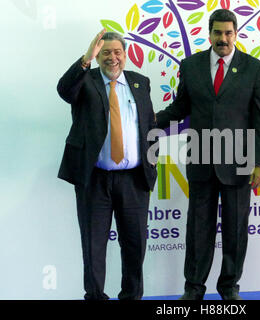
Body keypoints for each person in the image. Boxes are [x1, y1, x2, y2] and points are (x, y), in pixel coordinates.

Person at [155, 9, 260, 300]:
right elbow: (180, 108)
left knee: (235, 231)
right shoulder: (191, 66)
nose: (223, 38)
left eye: (228, 33)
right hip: (201, 161)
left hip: (239, 163)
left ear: (236, 34)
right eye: (218, 33)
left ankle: (229, 287)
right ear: (209, 33)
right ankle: (193, 288)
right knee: (198, 229)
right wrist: (148, 119)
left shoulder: (255, 69)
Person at [57, 29, 157, 300]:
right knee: (93, 247)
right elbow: (64, 90)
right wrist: (85, 58)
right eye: (105, 53)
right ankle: (95, 296)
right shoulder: (85, 82)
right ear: (97, 56)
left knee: (135, 247)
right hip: (95, 179)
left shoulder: (140, 82)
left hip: (134, 180)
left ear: (125, 55)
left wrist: (151, 165)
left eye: (117, 52)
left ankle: (131, 296)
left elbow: (149, 126)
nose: (112, 58)